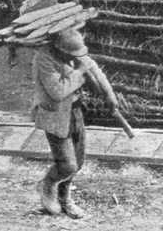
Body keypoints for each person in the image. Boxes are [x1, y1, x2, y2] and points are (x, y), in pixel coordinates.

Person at [32, 27, 118, 219]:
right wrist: (79, 72)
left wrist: (109, 94)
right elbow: (58, 91)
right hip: (54, 115)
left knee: (77, 163)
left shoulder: (74, 52)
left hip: (75, 111)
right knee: (67, 164)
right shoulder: (43, 58)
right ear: (59, 48)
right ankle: (46, 185)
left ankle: (65, 199)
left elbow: (94, 69)